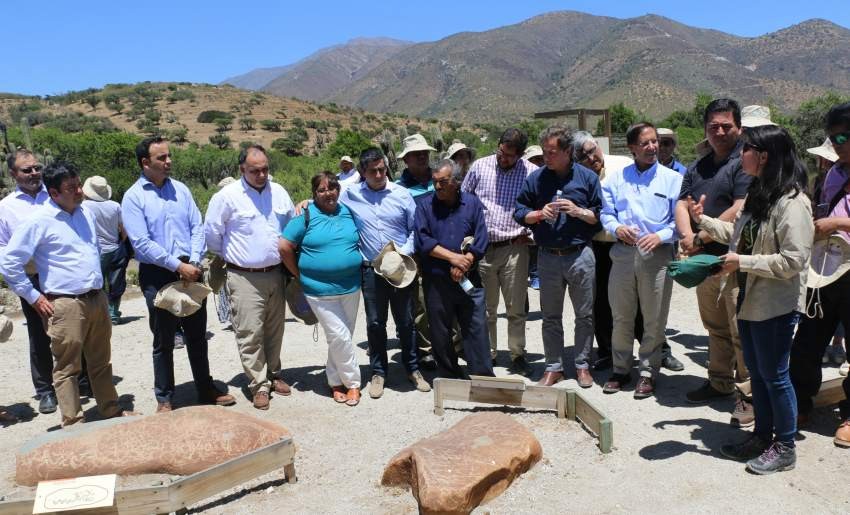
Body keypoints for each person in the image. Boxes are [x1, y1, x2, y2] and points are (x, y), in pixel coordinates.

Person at [691, 124, 812, 475]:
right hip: (749, 300)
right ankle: (762, 436)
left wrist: (740, 262)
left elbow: (794, 260)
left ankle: (785, 446)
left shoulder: (793, 203)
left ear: (764, 156)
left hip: (776, 305)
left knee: (775, 376)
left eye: (747, 149)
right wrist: (706, 222)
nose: (740, 154)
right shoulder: (762, 194)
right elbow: (740, 236)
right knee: (758, 376)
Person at [0, 162, 135, 426]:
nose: (78, 192)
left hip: (96, 297)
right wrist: (33, 296)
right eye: (70, 188)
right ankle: (73, 422)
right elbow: (9, 262)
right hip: (65, 303)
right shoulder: (38, 221)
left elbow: (92, 250)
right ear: (54, 193)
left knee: (100, 361)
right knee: (67, 367)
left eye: (78, 185)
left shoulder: (86, 214)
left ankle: (110, 409)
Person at [122, 136, 235, 412]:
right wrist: (177, 266)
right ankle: (165, 398)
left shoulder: (181, 190)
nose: (169, 161)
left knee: (197, 335)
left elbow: (197, 226)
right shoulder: (133, 197)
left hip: (191, 270)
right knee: (164, 340)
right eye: (162, 158)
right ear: (145, 162)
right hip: (159, 273)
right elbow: (141, 243)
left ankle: (205, 388)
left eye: (169, 156)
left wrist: (193, 261)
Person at [573, 132, 683, 372]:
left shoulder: (621, 167)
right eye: (584, 156)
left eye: (593, 150)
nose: (592, 158)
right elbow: (603, 213)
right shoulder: (576, 177)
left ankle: (660, 353)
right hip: (602, 245)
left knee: (648, 307)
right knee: (605, 303)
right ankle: (609, 355)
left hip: (643, 245)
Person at [675, 99, 756, 425]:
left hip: (734, 257)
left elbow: (740, 208)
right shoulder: (699, 166)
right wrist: (686, 237)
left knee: (741, 330)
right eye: (713, 127)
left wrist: (699, 237)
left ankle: (748, 395)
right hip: (703, 258)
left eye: (726, 126)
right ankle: (719, 381)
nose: (720, 132)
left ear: (738, 127)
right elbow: (682, 203)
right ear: (705, 129)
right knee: (715, 326)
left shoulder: (745, 163)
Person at [204, 145, 294, 410]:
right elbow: (212, 234)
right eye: (255, 170)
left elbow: (289, 225)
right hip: (243, 276)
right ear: (242, 169)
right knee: (249, 332)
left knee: (275, 328)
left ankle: (274, 373)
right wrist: (233, 256)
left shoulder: (279, 192)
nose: (262, 174)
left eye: (265, 169)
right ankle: (258, 384)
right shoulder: (227, 197)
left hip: (276, 273)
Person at [0, 149, 90, 414]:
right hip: (33, 278)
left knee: (77, 327)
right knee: (40, 334)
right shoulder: (5, 207)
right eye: (26, 170)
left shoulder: (55, 196)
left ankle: (82, 381)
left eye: (36, 168)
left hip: (63, 274)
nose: (33, 174)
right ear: (13, 174)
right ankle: (45, 390)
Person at [600, 122, 682, 399]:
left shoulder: (672, 179)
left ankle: (648, 372)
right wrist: (615, 228)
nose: (652, 147)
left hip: (656, 256)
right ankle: (620, 369)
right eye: (645, 143)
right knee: (621, 315)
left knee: (654, 317)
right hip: (623, 254)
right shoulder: (616, 178)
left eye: (655, 142)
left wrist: (661, 236)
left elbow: (678, 222)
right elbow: (606, 213)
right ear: (632, 148)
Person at [514, 126, 601, 387]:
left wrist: (578, 211)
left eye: (552, 152)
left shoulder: (587, 178)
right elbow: (519, 212)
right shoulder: (536, 178)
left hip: (580, 255)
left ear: (567, 151)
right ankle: (553, 367)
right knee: (550, 316)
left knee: (584, 315)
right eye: (544, 152)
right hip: (548, 257)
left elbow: (599, 216)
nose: (546, 157)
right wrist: (539, 214)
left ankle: (582, 365)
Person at [340, 147, 430, 399]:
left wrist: (403, 252)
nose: (380, 174)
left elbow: (415, 228)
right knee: (375, 323)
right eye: (373, 171)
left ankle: (413, 369)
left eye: (382, 169)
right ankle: (379, 372)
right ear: (362, 172)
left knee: (407, 322)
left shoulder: (402, 194)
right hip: (371, 270)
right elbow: (328, 206)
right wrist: (306, 203)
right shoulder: (350, 195)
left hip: (400, 267)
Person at [790, 102, 850, 445]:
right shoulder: (832, 174)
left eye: (842, 136)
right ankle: (800, 401)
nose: (836, 143)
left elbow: (835, 218)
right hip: (825, 271)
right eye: (832, 137)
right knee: (807, 342)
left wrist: (838, 223)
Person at [280, 172, 363, 406]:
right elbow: (284, 246)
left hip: (351, 287)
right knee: (339, 336)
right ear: (314, 193)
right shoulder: (305, 214)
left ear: (339, 189)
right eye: (322, 190)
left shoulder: (348, 211)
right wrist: (298, 273)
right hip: (318, 290)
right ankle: (353, 383)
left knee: (341, 338)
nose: (329, 193)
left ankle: (334, 381)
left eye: (332, 188)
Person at [462, 128, 536, 374]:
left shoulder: (531, 173)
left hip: (515, 248)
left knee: (515, 308)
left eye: (509, 156)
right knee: (486, 308)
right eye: (501, 152)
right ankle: (488, 354)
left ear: (521, 154)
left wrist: (531, 235)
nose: (503, 159)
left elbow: (542, 207)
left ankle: (517, 355)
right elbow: (463, 203)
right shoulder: (479, 167)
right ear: (498, 145)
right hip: (482, 249)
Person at [415, 159, 494, 379]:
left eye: (443, 181)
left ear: (457, 182)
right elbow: (422, 241)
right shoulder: (424, 206)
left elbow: (482, 237)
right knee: (440, 332)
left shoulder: (472, 203)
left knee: (476, 328)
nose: (438, 186)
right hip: (437, 281)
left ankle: (482, 377)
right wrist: (454, 259)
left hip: (469, 278)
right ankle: (450, 376)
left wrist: (466, 260)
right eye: (435, 182)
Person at [396, 133, 438, 369]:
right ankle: (425, 351)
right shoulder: (398, 188)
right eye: (416, 154)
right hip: (417, 255)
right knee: (420, 305)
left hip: (444, 252)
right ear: (406, 160)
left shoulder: (440, 179)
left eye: (425, 153)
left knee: (446, 302)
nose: (422, 157)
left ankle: (450, 346)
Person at [82, 176, 130, 325]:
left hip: (97, 251)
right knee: (116, 282)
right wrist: (121, 242)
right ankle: (114, 314)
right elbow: (123, 230)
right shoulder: (115, 206)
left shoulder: (84, 206)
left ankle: (100, 315)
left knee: (98, 285)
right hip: (115, 247)